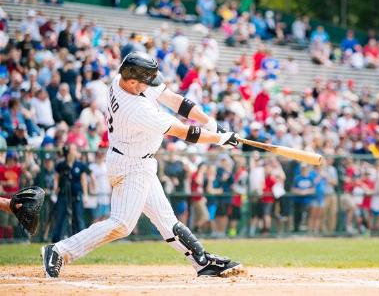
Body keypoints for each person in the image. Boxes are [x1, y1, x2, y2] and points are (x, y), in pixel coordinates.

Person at [41, 51, 243, 278]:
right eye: (145, 82)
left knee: (167, 221)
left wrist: (209, 121)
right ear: (133, 81)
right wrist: (218, 139)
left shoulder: (124, 80)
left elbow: (174, 99)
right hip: (130, 166)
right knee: (122, 224)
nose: (150, 86)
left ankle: (202, 262)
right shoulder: (136, 109)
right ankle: (59, 250)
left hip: (140, 162)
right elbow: (182, 131)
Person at [51, 144, 90, 242]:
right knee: (59, 218)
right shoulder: (61, 165)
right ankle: (55, 241)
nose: (75, 151)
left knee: (79, 219)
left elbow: (83, 179)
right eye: (73, 150)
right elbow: (56, 177)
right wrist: (55, 188)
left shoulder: (79, 165)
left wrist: (85, 194)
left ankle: (82, 240)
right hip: (63, 195)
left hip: (76, 195)